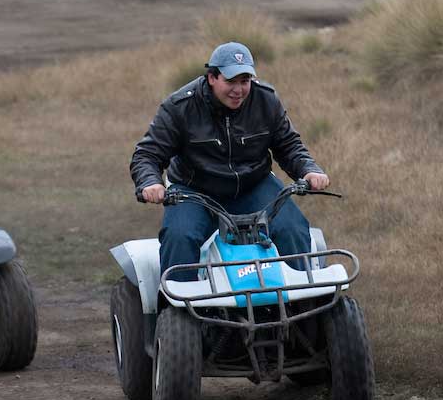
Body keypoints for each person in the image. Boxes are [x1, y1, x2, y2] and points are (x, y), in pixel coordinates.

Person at [130, 41, 330, 282]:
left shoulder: (266, 100)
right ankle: (178, 312)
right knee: (179, 236)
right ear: (212, 77)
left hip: (253, 185)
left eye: (244, 81)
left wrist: (309, 169)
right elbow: (147, 155)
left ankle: (302, 303)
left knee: (293, 228)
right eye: (231, 81)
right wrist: (151, 183)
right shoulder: (179, 106)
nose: (239, 90)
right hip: (195, 191)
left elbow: (289, 146)